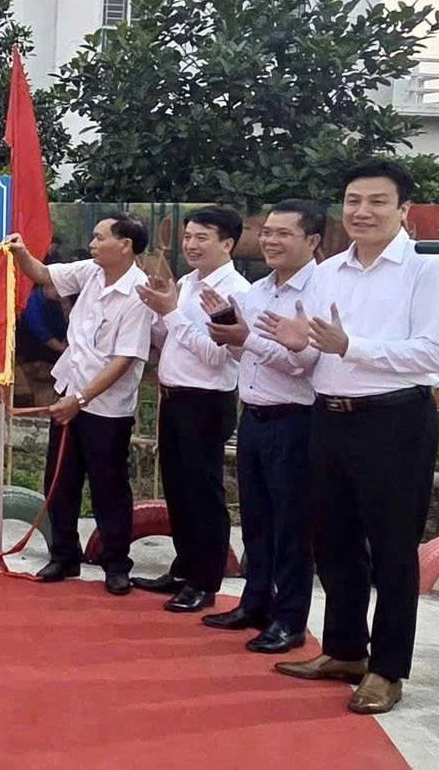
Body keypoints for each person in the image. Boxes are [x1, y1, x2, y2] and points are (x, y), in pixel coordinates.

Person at [259, 160, 439, 715]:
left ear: (403, 209)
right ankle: (345, 651)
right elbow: (320, 349)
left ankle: (387, 670)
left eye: (376, 201)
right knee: (333, 540)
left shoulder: (427, 270)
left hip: (394, 421)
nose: (361, 212)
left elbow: (432, 355)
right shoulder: (328, 272)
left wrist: (351, 346)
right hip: (329, 417)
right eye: (352, 201)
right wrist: (300, 342)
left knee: (392, 549)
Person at [7, 214, 156, 595]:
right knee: (60, 481)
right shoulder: (90, 271)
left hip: (106, 408)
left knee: (109, 487)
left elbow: (125, 360)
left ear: (125, 245)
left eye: (100, 237)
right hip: (70, 392)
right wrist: (20, 253)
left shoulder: (138, 293)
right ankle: (63, 555)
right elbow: (43, 274)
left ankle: (116, 564)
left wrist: (81, 399)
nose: (92, 244)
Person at [199, 200, 324, 652]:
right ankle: (254, 603)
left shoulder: (319, 291)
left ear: (312, 240)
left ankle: (289, 619)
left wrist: (246, 338)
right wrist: (227, 332)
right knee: (256, 519)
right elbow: (244, 354)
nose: (270, 240)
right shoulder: (257, 290)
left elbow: (303, 364)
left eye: (283, 233)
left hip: (295, 420)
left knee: (292, 526)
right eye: (267, 232)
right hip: (253, 415)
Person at [133, 206, 250, 614]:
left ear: (227, 243)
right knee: (178, 490)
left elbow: (217, 355)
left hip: (206, 400)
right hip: (174, 396)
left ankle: (205, 581)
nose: (191, 245)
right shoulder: (186, 283)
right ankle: (184, 568)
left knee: (203, 493)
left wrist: (171, 313)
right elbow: (169, 338)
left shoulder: (236, 291)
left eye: (202, 237)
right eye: (188, 237)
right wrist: (157, 310)